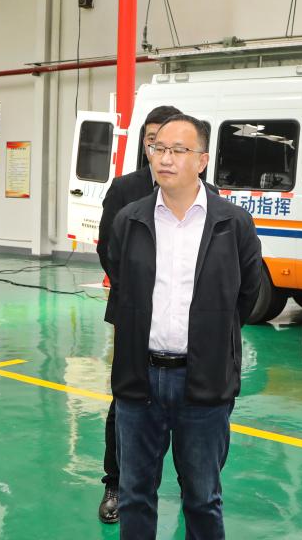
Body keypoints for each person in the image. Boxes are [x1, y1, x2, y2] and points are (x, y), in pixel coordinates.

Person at [105, 113, 262, 540]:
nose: (165, 158)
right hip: (139, 380)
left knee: (202, 497)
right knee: (135, 494)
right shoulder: (130, 220)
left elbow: (247, 294)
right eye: (158, 148)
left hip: (203, 382)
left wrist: (212, 336)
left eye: (178, 150)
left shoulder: (232, 223)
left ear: (202, 160)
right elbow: (121, 284)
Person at [94, 104, 184, 524]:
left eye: (170, 143)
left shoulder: (207, 194)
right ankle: (116, 483)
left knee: (190, 405)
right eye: (152, 141)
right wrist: (138, 299)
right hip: (133, 318)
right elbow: (106, 248)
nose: (160, 151)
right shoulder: (125, 189)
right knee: (127, 398)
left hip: (185, 324)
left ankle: (192, 487)